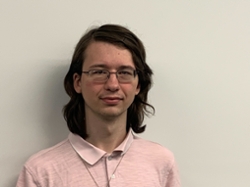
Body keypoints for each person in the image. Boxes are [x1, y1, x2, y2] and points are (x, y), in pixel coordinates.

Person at [16, 24, 180, 187]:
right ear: (78, 82)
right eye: (99, 72)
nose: (113, 85)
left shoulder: (161, 162)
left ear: (138, 85)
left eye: (124, 73)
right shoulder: (40, 172)